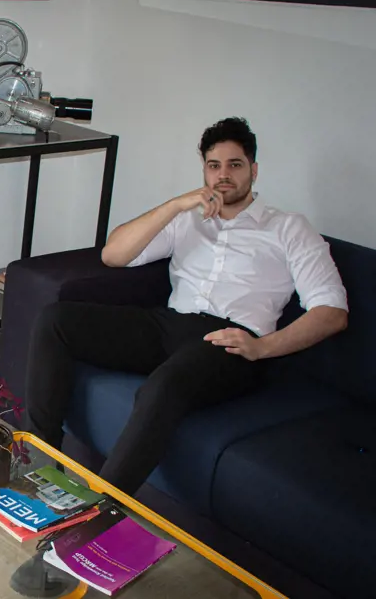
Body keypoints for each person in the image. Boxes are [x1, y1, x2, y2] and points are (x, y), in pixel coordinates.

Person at [24, 116, 349, 496]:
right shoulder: (188, 219)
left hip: (231, 343)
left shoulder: (289, 228)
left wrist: (262, 347)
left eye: (234, 165)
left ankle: (101, 509)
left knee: (165, 385)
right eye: (214, 166)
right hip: (169, 326)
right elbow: (114, 255)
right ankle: (41, 466)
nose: (223, 175)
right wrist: (177, 205)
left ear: (254, 171)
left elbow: (332, 312)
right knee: (56, 320)